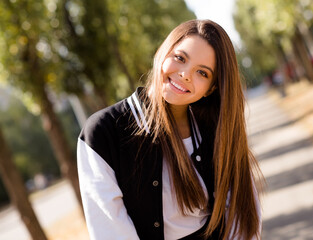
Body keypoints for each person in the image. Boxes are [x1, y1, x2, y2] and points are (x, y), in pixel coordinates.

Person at [77, 19, 263, 240]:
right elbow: (110, 229)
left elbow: (240, 214)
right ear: (162, 53)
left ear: (210, 89)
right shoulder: (102, 132)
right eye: (180, 58)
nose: (185, 74)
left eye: (202, 73)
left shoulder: (215, 128)